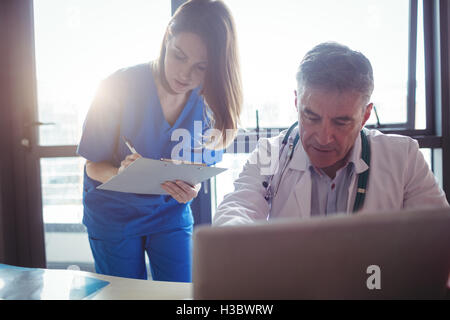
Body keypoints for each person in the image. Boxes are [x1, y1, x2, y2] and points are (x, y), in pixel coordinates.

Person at [77, 0, 242, 281]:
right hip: (113, 214)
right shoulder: (117, 86)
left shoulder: (210, 102)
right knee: (125, 298)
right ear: (168, 37)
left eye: (201, 67)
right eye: (179, 55)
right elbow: (93, 164)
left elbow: (198, 169)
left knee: (182, 294)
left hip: (170, 213)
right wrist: (120, 173)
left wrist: (191, 187)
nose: (184, 74)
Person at [213, 42, 449, 226]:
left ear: (365, 116)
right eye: (311, 117)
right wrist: (234, 236)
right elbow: (237, 208)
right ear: (297, 102)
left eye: (341, 122)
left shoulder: (404, 157)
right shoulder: (270, 154)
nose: (324, 138)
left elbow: (438, 235)